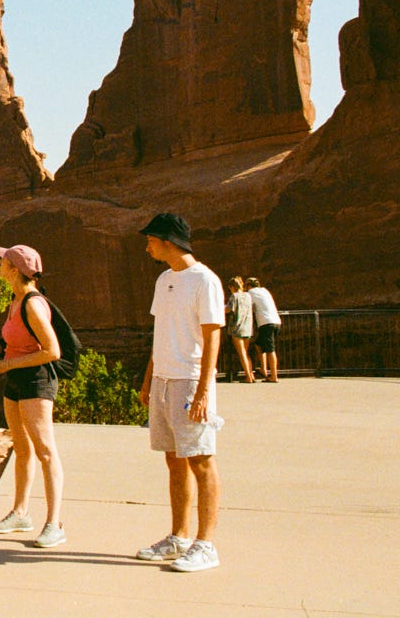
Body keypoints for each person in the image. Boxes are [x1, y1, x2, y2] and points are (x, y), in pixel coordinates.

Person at [136, 213, 224, 572]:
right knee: (173, 459)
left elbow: (213, 335)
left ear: (167, 241)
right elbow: (161, 332)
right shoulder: (164, 280)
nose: (147, 247)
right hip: (163, 380)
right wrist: (148, 379)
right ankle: (179, 537)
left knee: (200, 459)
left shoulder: (205, 281)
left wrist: (203, 390)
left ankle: (206, 545)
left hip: (190, 380)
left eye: (151, 241)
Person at [0, 244, 66, 548]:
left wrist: (7, 364)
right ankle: (20, 513)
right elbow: (20, 343)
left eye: (3, 261)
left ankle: (54, 523)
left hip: (36, 382)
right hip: (16, 381)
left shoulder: (32, 303)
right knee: (22, 448)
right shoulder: (15, 301)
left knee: (45, 451)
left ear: (14, 269)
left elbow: (52, 351)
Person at [246, 277, 281, 382]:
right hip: (276, 321)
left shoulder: (250, 293)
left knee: (270, 350)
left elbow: (248, 307)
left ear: (248, 286)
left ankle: (274, 376)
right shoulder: (265, 291)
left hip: (266, 323)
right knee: (259, 344)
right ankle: (263, 369)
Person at [225, 277, 255, 383]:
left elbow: (228, 309)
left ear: (231, 287)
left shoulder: (234, 296)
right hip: (248, 326)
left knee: (241, 353)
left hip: (237, 327)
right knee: (246, 352)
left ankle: (248, 376)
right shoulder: (248, 296)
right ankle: (251, 374)